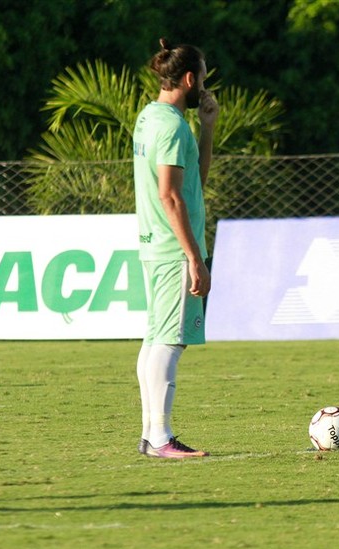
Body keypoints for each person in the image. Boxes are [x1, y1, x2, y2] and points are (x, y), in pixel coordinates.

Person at [132, 38, 219, 458]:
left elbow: (191, 184)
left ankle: (153, 435)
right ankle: (161, 438)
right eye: (202, 77)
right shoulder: (169, 126)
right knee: (169, 341)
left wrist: (207, 128)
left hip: (156, 246)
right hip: (172, 250)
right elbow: (171, 196)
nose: (204, 84)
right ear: (189, 78)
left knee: (155, 340)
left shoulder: (150, 117)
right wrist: (194, 257)